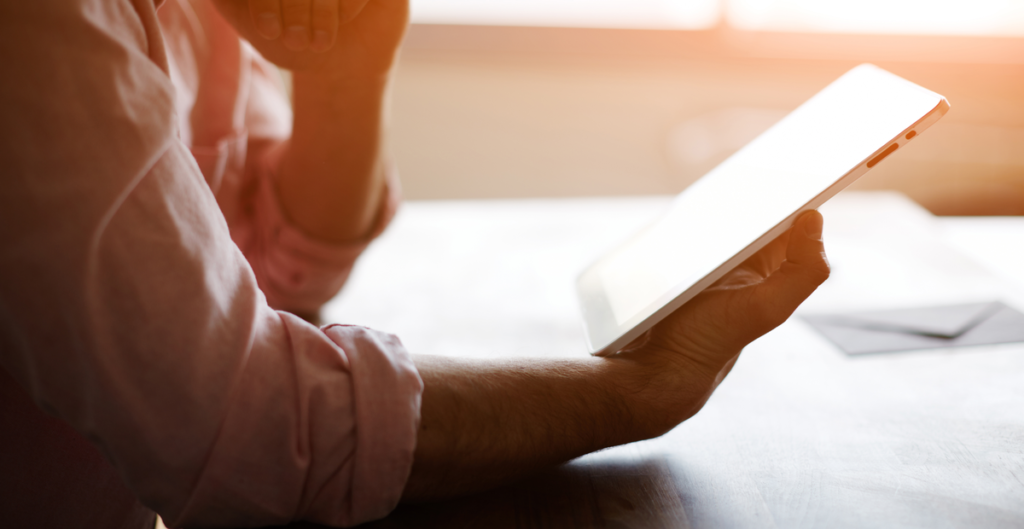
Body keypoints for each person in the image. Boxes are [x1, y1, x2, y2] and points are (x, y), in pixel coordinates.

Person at [0, 0, 831, 527]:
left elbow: (282, 264)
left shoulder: (206, 15)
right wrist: (634, 390)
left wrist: (350, 78)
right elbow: (248, 423)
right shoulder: (44, 31)